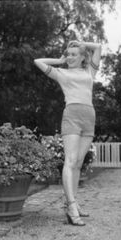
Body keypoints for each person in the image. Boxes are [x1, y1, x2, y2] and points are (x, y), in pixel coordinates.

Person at [34, 40, 101, 226]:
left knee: (79, 163)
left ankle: (74, 202)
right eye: (68, 54)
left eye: (74, 54)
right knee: (70, 161)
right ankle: (71, 206)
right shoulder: (61, 73)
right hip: (71, 116)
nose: (70, 57)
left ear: (82, 57)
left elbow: (97, 47)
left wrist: (81, 43)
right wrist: (59, 60)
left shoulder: (90, 71)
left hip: (89, 117)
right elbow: (37, 61)